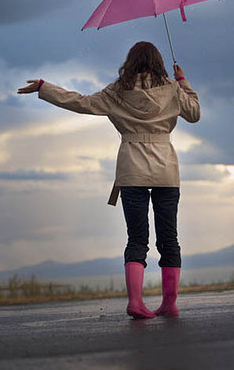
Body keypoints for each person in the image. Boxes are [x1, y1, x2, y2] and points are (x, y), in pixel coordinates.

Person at [17, 41, 200, 319]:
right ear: (158, 62)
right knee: (169, 238)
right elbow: (195, 114)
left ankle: (136, 302)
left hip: (132, 168)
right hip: (166, 169)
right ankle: (169, 303)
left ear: (130, 61)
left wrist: (45, 87)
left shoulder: (117, 91)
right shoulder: (172, 89)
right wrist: (183, 81)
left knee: (137, 238)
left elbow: (80, 102)